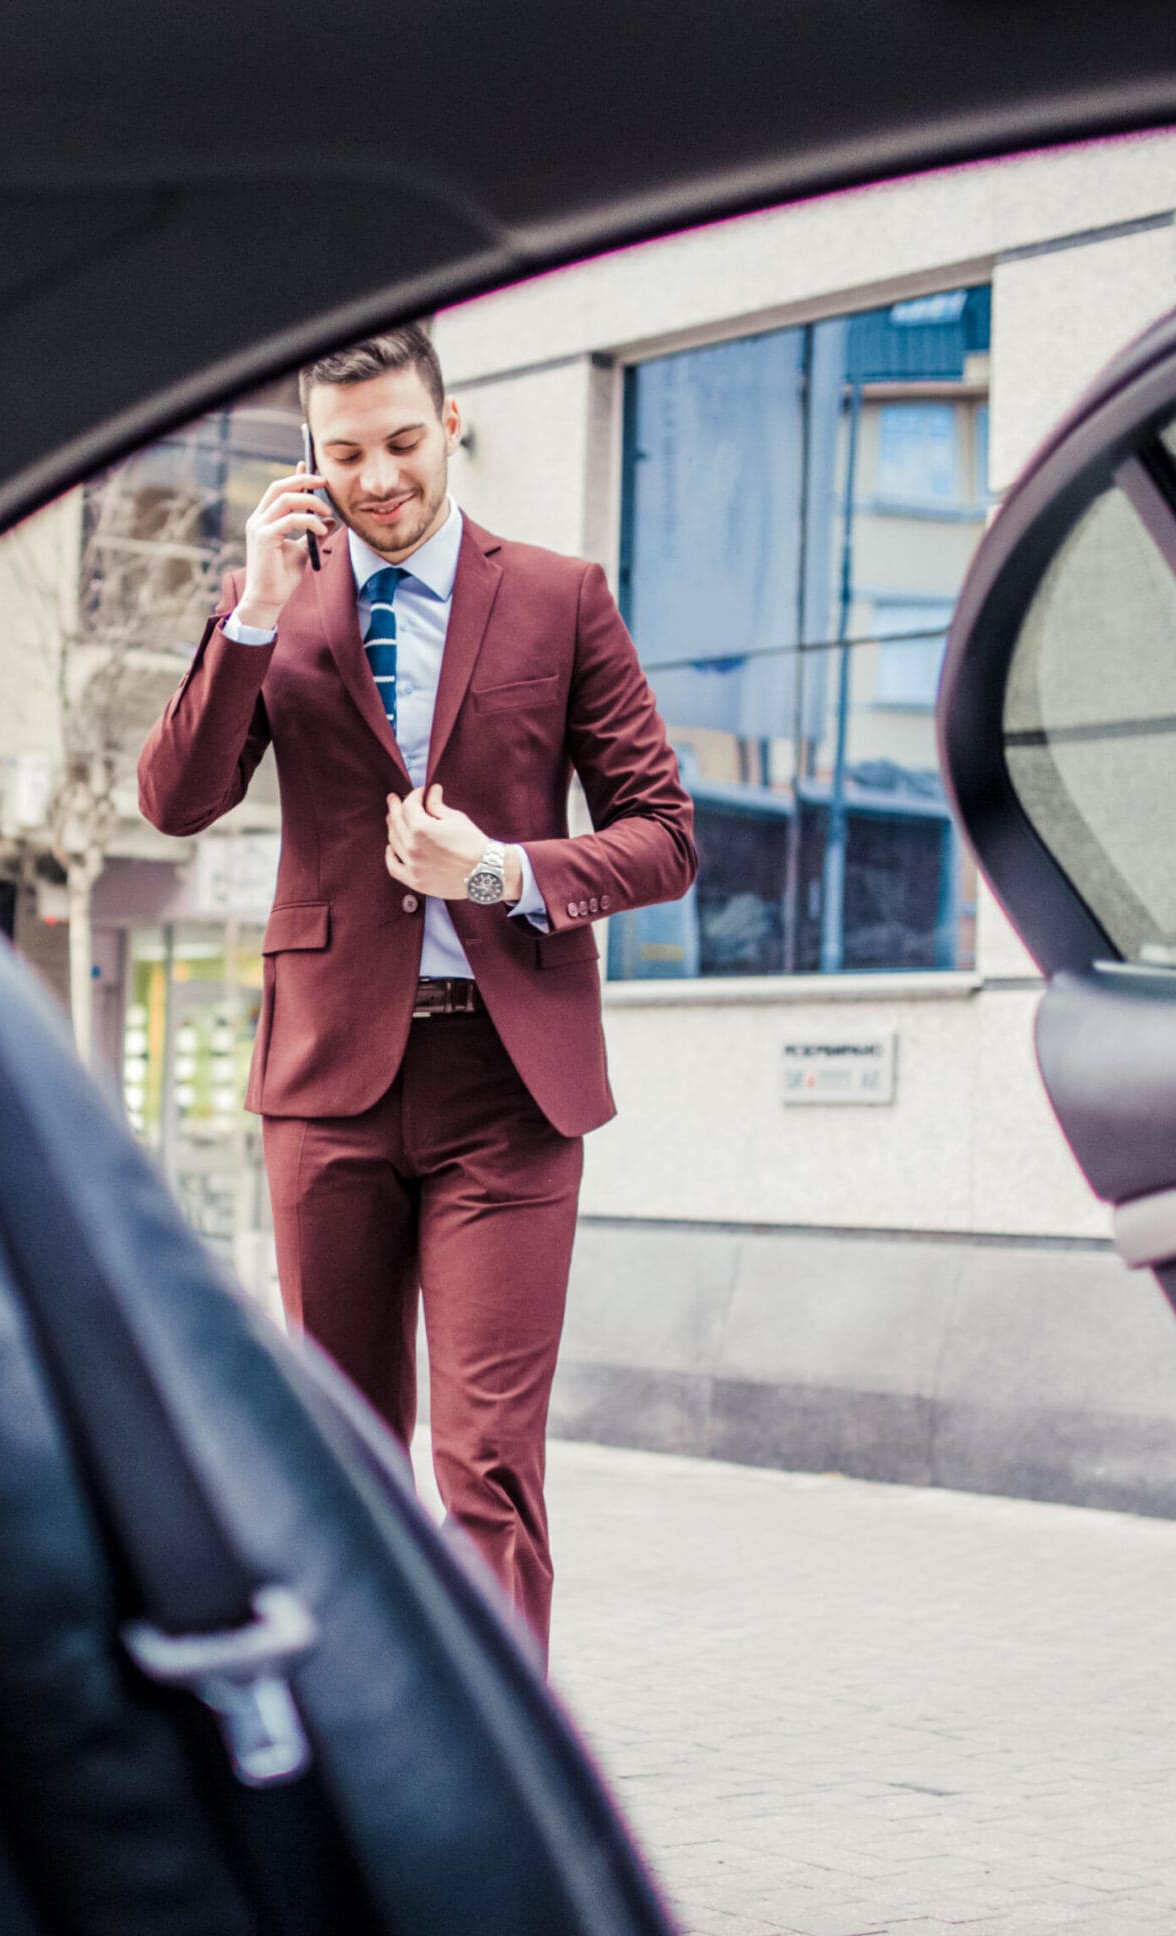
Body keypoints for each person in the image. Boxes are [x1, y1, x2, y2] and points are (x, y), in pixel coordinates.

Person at [139, 324, 694, 1653]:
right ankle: (373, 1748)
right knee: (342, 1454)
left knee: (487, 1465)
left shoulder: (561, 597)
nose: (378, 477)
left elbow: (665, 835)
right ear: (309, 459)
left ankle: (507, 1778)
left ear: (449, 425)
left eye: (400, 442)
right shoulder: (281, 606)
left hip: (507, 1087)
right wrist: (253, 612)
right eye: (345, 454)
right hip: (329, 1084)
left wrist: (503, 868)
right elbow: (176, 799)